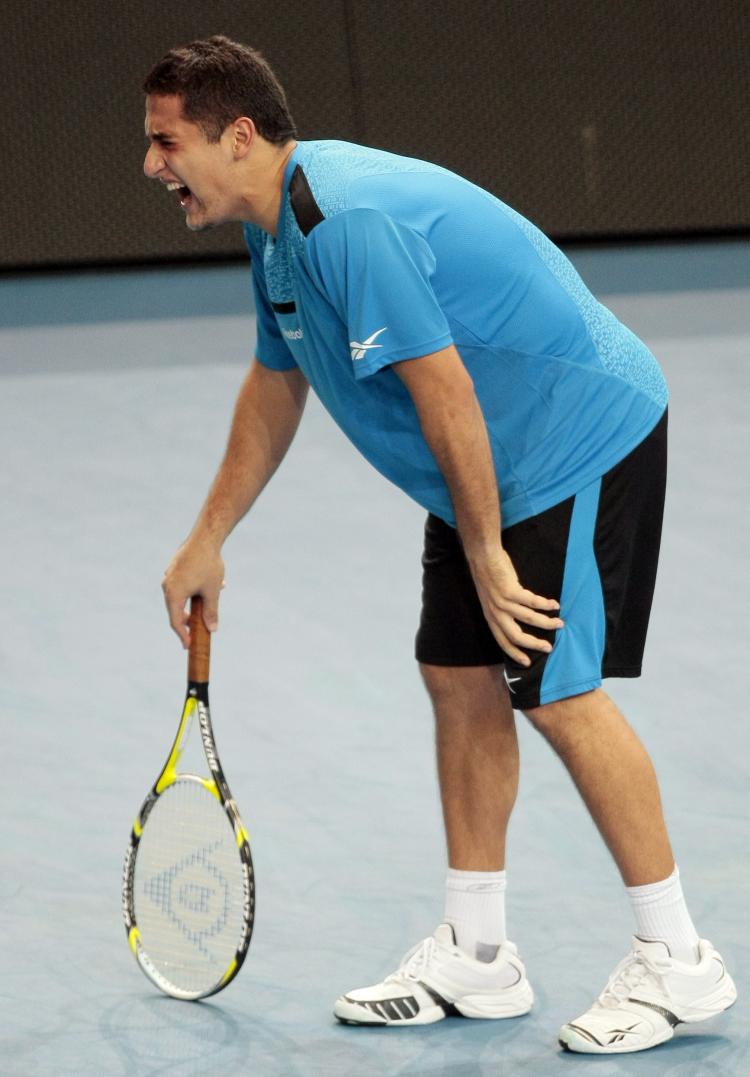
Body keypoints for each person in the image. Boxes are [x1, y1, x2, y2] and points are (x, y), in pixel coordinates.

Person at [144, 36, 735, 1054]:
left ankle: (679, 962)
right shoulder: (273, 226)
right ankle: (478, 950)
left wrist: (490, 555)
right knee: (458, 673)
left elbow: (444, 387)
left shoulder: (343, 219)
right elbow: (277, 378)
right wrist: (208, 539)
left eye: (166, 142)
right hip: (492, 459)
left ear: (238, 137)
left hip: (574, 436)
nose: (152, 166)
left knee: (554, 689)